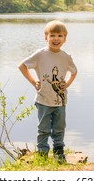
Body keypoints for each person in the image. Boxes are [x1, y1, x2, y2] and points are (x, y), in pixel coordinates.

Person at [18, 20, 77, 163]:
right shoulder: (40, 54)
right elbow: (22, 66)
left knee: (59, 128)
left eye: (59, 35)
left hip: (60, 101)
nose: (56, 39)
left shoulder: (66, 57)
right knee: (43, 129)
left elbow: (74, 72)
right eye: (52, 35)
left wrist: (67, 84)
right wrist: (33, 81)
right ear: (46, 37)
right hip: (43, 100)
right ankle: (42, 155)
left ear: (65, 38)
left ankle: (58, 152)